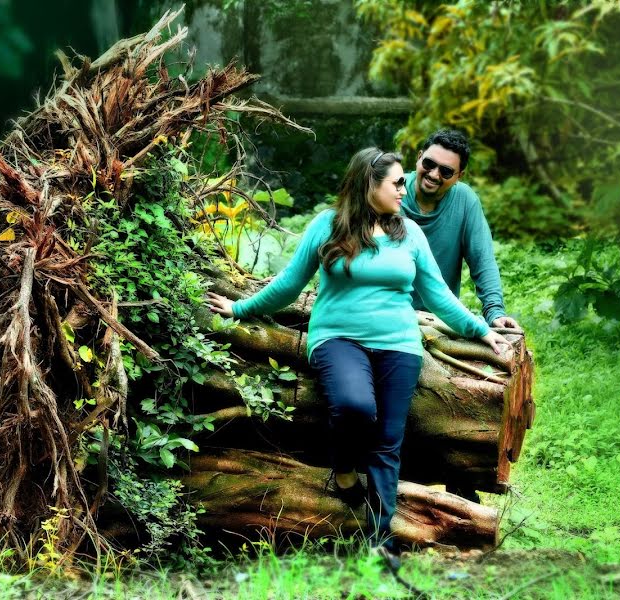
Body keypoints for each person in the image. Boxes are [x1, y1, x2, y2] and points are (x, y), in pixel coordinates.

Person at [206, 148, 511, 570]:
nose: (404, 188)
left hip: (399, 344)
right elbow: (290, 285)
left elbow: (440, 297)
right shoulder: (326, 227)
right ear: (370, 185)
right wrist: (239, 308)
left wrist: (482, 329)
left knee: (388, 441)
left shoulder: (409, 234)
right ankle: (344, 469)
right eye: (397, 182)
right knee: (354, 407)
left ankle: (381, 540)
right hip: (337, 338)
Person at [401, 129, 520, 329]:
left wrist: (494, 311)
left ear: (459, 176)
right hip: (390, 313)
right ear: (419, 157)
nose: (434, 174)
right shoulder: (391, 191)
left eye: (446, 171)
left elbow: (482, 260)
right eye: (429, 164)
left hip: (439, 318)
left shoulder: (465, 201)